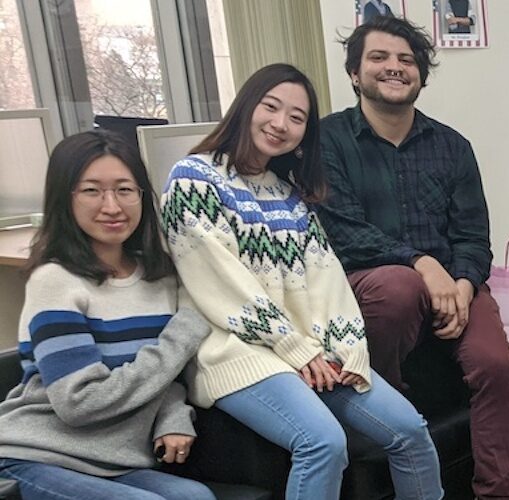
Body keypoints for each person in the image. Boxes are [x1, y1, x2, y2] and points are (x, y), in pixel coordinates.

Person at [161, 63, 441, 499]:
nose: (280, 124)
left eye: (296, 118)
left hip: (310, 352)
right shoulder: (193, 178)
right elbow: (221, 283)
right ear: (245, 106)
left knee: (410, 431)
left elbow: (327, 278)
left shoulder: (288, 194)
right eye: (271, 107)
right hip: (237, 353)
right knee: (323, 443)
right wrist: (294, 347)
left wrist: (348, 346)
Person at [316, 16, 509, 499]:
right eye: (379, 58)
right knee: (400, 285)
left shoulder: (452, 147)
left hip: (454, 287)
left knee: (495, 366)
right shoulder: (327, 142)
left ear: (421, 76)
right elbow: (340, 232)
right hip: (373, 286)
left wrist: (465, 286)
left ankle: (497, 493)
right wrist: (421, 264)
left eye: (406, 60)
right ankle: (382, 420)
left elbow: (474, 235)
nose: (394, 68)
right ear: (354, 73)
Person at [0, 131, 214, 500]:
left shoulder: (158, 276)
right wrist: (185, 332)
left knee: (197, 497)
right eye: (92, 190)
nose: (112, 206)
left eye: (125, 190)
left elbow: (162, 377)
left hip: (118, 461)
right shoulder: (54, 281)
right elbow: (80, 403)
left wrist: (173, 416)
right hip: (38, 456)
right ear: (63, 200)